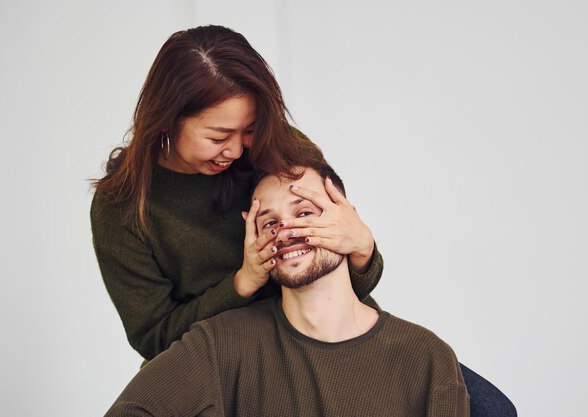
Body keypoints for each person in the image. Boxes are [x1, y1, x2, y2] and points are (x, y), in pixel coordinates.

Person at [91, 25, 516, 417]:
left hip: (323, 338)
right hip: (229, 358)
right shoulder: (123, 207)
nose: (237, 151)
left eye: (249, 129)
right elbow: (154, 338)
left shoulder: (281, 149)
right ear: (167, 119)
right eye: (219, 137)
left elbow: (340, 277)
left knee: (491, 409)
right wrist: (242, 282)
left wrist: (363, 250)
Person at [104, 164, 470, 417]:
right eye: (270, 222)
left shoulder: (427, 358)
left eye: (306, 213)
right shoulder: (219, 346)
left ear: (346, 218)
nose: (287, 230)